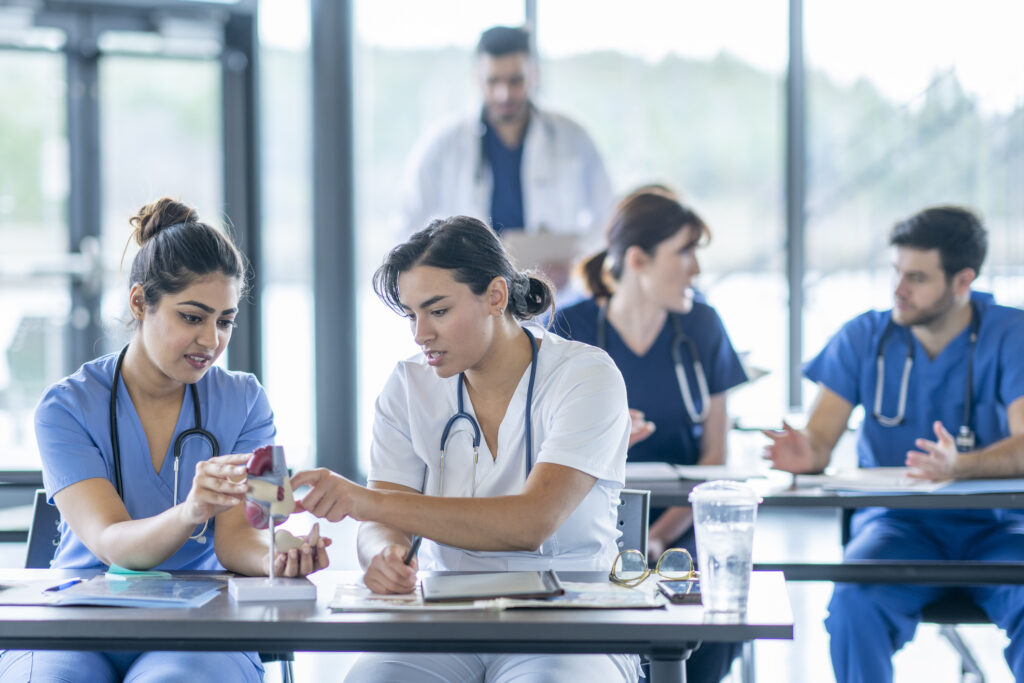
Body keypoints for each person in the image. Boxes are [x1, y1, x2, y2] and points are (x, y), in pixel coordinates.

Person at [291, 215, 638, 682]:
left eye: (437, 311)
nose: (420, 334)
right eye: (412, 315)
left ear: (495, 296)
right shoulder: (408, 386)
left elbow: (530, 523)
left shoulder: (585, 376)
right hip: (446, 614)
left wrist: (361, 501)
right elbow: (382, 524)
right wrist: (383, 555)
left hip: (569, 617)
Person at [0, 198, 329, 683]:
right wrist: (191, 510)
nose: (213, 340)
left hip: (199, 630)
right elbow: (113, 544)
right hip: (76, 624)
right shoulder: (64, 408)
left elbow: (248, 533)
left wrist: (279, 554)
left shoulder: (247, 401)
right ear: (139, 302)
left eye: (225, 320)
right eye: (192, 317)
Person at [763, 206, 1024, 682]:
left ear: (963, 281)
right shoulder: (865, 336)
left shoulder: (1011, 334)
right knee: (852, 603)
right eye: (896, 272)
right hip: (899, 527)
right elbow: (820, 439)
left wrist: (961, 466)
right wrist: (807, 455)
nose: (898, 290)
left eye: (917, 278)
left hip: (1001, 529)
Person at [551, 188, 747, 683]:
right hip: (592, 520)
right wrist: (611, 440)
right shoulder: (571, 327)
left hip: (684, 523)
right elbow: (544, 453)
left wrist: (659, 535)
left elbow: (715, 457)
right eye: (684, 252)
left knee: (709, 630)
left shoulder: (703, 326)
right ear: (637, 259)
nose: (695, 270)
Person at [398, 25, 613, 293]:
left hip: (554, 291)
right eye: (493, 81)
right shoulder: (443, 144)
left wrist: (574, 263)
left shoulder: (573, 137)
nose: (504, 94)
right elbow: (408, 222)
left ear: (533, 75)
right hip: (472, 291)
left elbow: (608, 214)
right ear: (477, 78)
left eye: (515, 80)